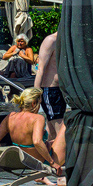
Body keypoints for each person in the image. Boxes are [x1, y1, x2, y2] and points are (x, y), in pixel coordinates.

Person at [0, 87, 55, 168]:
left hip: (19, 161)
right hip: (39, 161)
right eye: (40, 103)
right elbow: (37, 142)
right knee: (64, 131)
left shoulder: (10, 116)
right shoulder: (37, 118)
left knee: (53, 141)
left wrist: (4, 160)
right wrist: (52, 162)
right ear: (33, 103)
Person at [35, 30, 66, 165]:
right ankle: (60, 168)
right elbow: (40, 68)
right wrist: (36, 94)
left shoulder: (66, 41)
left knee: (53, 134)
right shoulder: (50, 41)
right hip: (50, 91)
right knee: (61, 133)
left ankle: (46, 168)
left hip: (60, 91)